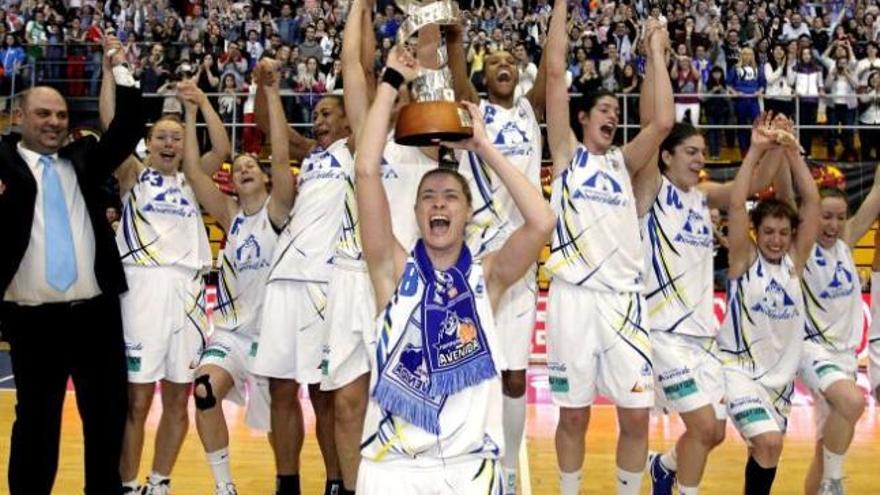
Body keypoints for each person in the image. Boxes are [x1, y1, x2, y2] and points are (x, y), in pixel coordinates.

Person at [354, 45, 555, 495]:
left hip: (468, 471)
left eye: (450, 197)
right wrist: (389, 83)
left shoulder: (488, 278)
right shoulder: (390, 269)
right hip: (389, 468)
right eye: (429, 196)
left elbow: (542, 220)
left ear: (467, 213)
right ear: (416, 212)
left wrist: (484, 146)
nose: (439, 202)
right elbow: (366, 171)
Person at [0, 36, 144, 495]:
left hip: (94, 316)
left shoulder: (84, 158)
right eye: (43, 114)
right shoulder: (1, 163)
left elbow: (127, 129)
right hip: (31, 321)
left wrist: (120, 71)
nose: (54, 122)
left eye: (61, 115)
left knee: (105, 421)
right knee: (36, 428)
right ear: (18, 116)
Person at [544, 2, 674, 493]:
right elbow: (555, 73)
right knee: (573, 415)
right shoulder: (566, 155)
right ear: (582, 117)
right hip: (573, 299)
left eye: (616, 114)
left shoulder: (623, 163)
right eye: (604, 110)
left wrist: (655, 51)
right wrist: (560, 8)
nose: (613, 118)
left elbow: (661, 124)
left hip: (624, 303)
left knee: (637, 416)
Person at [317, 1, 436, 493]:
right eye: (395, 85)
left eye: (410, 87)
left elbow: (431, 64)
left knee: (407, 401)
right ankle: (350, 486)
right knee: (347, 402)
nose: (400, 93)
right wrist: (360, 5)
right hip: (350, 274)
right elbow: (351, 65)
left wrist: (427, 17)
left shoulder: (429, 138)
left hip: (403, 281)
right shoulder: (367, 136)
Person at [638, 118, 785, 495]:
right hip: (664, 333)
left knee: (715, 433)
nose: (699, 158)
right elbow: (654, 123)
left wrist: (766, 145)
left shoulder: (701, 194)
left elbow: (752, 185)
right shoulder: (652, 190)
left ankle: (664, 465)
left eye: (702, 152)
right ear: (666, 156)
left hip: (703, 335)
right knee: (704, 426)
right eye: (690, 151)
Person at [110, 64, 230, 493]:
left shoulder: (191, 179)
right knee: (138, 401)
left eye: (176, 138)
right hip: (142, 290)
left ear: (183, 146)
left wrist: (201, 104)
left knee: (179, 396)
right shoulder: (134, 175)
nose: (168, 142)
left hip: (190, 294)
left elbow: (222, 146)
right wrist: (112, 73)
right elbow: (111, 124)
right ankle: (127, 484)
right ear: (148, 142)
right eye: (161, 136)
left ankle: (159, 483)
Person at [178, 70, 294, 495]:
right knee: (204, 390)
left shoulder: (278, 212)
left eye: (251, 165)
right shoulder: (230, 216)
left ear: (264, 178)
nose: (243, 167)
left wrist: (269, 90)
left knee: (277, 426)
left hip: (272, 338)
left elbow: (280, 156)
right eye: (238, 166)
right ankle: (225, 487)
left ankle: (288, 480)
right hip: (230, 334)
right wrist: (197, 107)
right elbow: (193, 171)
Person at [251, 59, 347, 495]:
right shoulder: (311, 160)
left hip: (324, 284)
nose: (320, 118)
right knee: (281, 388)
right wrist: (268, 88)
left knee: (324, 393)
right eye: (318, 113)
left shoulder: (359, 150)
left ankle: (335, 481)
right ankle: (286, 482)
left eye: (329, 112)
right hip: (283, 279)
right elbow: (276, 135)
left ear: (349, 118)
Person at [717, 119, 820, 495]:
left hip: (779, 383)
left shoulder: (795, 263)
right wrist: (757, 150)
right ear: (756, 234)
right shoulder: (744, 262)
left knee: (766, 452)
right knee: (769, 442)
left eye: (782, 232)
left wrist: (792, 151)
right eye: (768, 232)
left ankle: (669, 465)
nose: (776, 240)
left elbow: (813, 202)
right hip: (738, 371)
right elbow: (735, 203)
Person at [798, 164, 880, 494]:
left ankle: (825, 483)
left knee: (824, 446)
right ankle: (834, 483)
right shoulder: (802, 250)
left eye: (840, 217)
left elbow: (876, 195)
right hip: (813, 350)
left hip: (844, 357)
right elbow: (796, 196)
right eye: (826, 216)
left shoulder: (846, 245)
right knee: (853, 402)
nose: (833, 224)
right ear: (813, 217)